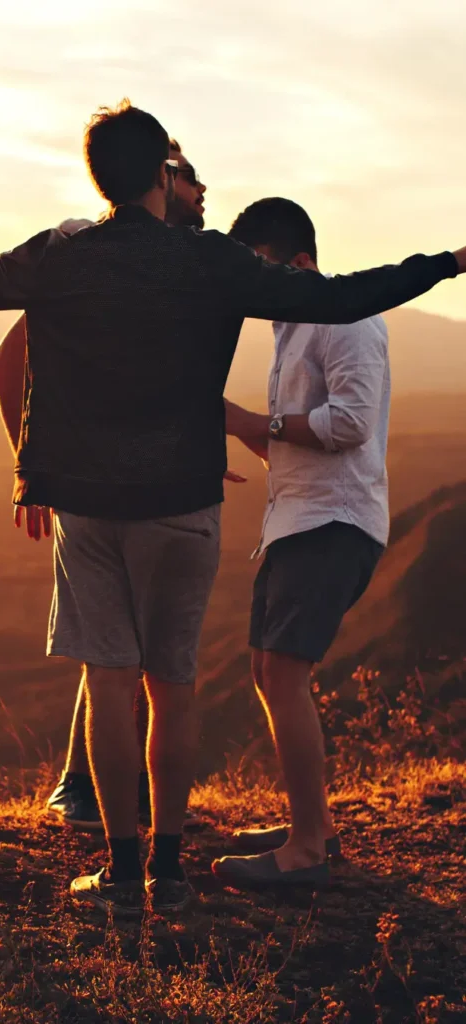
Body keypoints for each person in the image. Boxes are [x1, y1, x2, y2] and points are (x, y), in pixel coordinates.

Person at [0, 99, 462, 916]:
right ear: (161, 174)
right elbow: (340, 295)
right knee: (172, 686)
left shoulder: (62, 253)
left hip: (86, 503)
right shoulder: (207, 261)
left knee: (109, 682)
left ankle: (117, 874)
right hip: (183, 502)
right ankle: (170, 873)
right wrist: (449, 260)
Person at [0, 140, 212, 831]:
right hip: (96, 485)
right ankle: (87, 793)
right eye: (190, 177)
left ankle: (104, 800)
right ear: (158, 180)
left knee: (121, 654)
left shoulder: (166, 267)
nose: (204, 192)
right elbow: (10, 355)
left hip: (143, 479)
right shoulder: (87, 253)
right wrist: (32, 467)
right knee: (118, 656)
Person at [211, 198, 391, 887]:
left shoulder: (342, 318)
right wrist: (233, 428)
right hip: (296, 519)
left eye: (257, 268)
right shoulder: (291, 328)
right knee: (267, 672)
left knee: (283, 675)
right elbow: (293, 439)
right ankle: (310, 824)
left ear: (300, 262)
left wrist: (254, 419)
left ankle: (307, 850)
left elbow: (347, 424)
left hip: (332, 523)